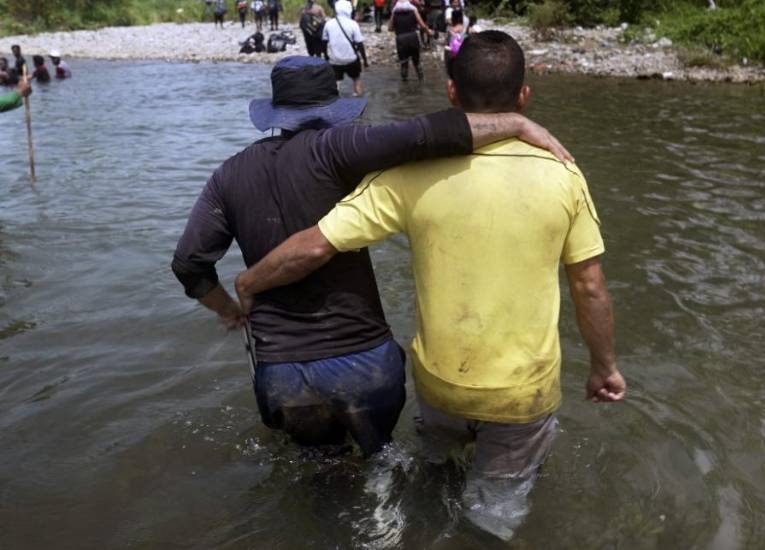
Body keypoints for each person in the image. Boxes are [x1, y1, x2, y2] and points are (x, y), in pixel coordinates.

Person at [234, 31, 625, 540]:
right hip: (521, 394)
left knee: (429, 475)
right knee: (494, 509)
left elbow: (315, 245)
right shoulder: (563, 175)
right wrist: (604, 368)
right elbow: (589, 287)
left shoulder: (410, 175)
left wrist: (248, 281)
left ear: (450, 92)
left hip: (439, 385)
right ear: (524, 95)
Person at [172, 55, 571, 458]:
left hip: (283, 373)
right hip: (363, 366)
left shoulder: (228, 175)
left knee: (318, 469)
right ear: (331, 108)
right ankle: (389, 516)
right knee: (381, 460)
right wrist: (517, 123)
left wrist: (229, 308)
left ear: (276, 111)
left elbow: (188, 264)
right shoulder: (338, 147)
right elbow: (430, 133)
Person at [323, 0, 368, 96]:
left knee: (336, 82)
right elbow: (360, 44)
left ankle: (335, 104)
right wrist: (365, 61)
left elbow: (324, 42)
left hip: (335, 60)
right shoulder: (353, 24)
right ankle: (359, 99)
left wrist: (326, 57)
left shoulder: (328, 24)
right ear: (349, 10)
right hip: (351, 59)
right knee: (356, 78)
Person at [389, 0, 429, 81]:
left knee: (404, 63)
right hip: (412, 38)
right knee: (416, 62)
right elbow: (422, 26)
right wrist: (429, 32)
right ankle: (421, 80)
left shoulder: (395, 13)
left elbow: (390, 28)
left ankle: (404, 85)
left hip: (400, 39)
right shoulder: (413, 11)